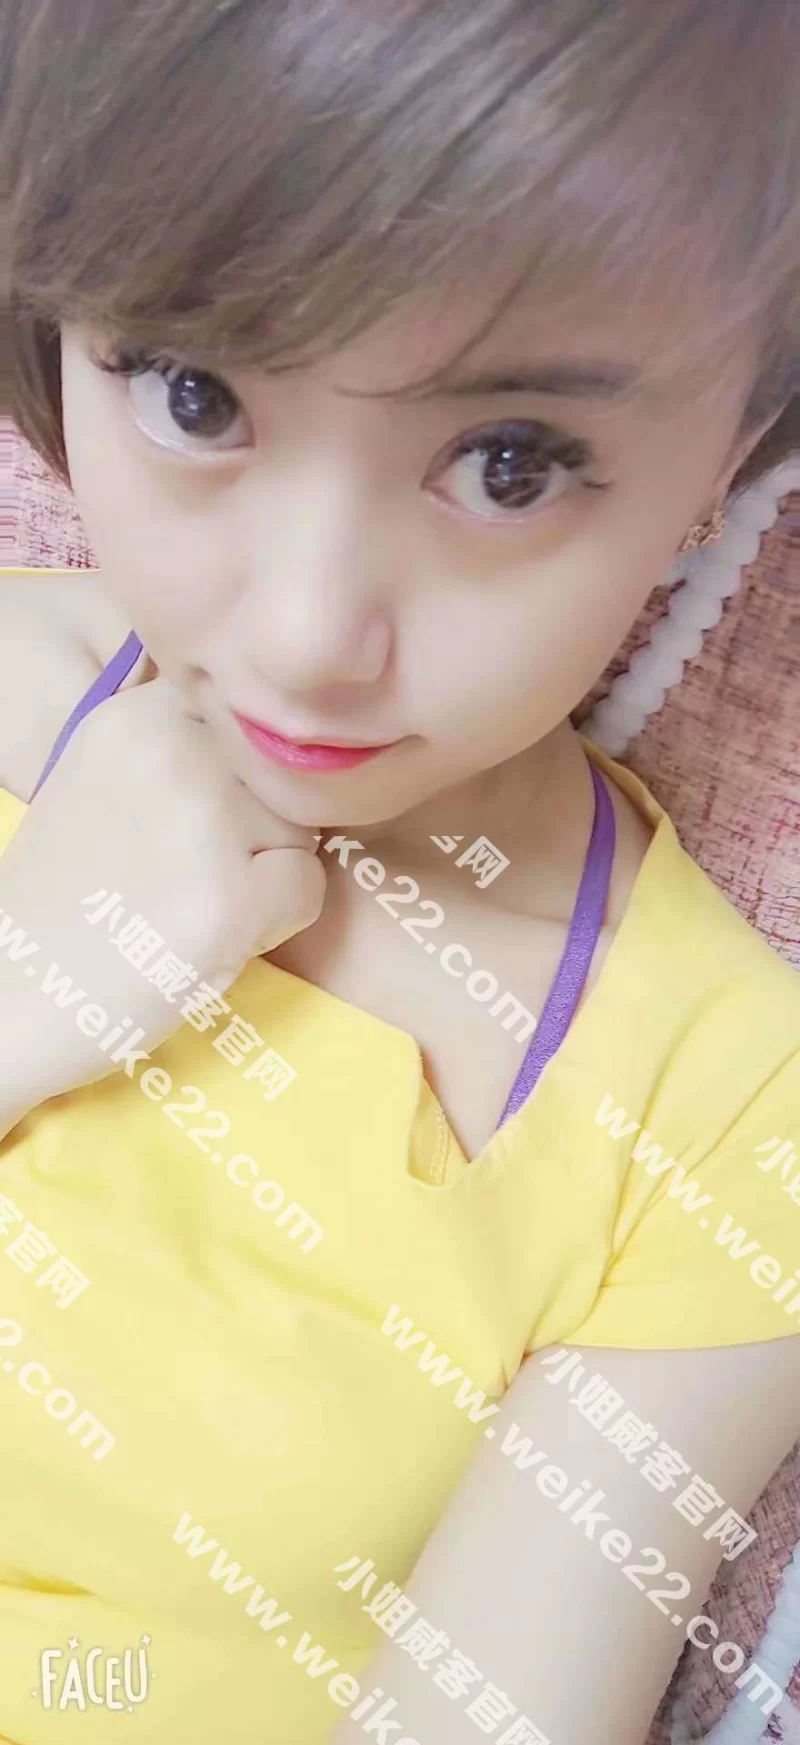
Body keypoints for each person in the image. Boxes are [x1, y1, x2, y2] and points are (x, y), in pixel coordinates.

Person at [0, 2, 798, 1741]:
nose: (306, 638)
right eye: (197, 394)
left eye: (509, 465)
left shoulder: (733, 1114)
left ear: (736, 450)